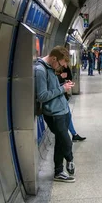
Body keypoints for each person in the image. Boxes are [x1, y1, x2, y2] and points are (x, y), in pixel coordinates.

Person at [35, 46, 76, 183]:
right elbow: (42, 96)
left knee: (60, 140)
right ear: (54, 58)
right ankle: (70, 159)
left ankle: (59, 171)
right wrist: (62, 89)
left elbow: (52, 88)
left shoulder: (51, 68)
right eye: (60, 64)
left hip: (62, 110)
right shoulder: (40, 71)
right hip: (54, 113)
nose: (61, 67)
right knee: (66, 142)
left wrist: (63, 84)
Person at [56, 64, 86, 142]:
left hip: (62, 97)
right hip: (58, 99)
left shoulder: (63, 68)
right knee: (67, 116)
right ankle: (72, 134)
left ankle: (73, 134)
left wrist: (66, 81)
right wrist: (61, 79)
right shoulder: (53, 72)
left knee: (68, 115)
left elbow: (69, 77)